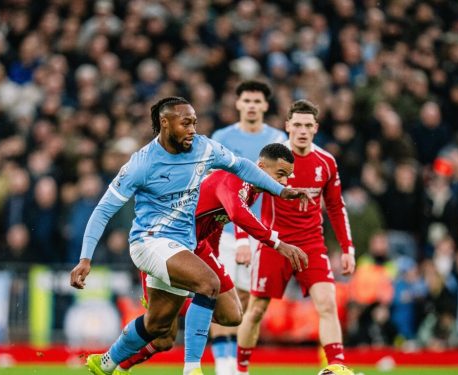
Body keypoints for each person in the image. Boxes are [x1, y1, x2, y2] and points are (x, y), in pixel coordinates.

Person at [70, 97, 310, 375]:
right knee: (208, 283)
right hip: (150, 241)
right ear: (165, 123)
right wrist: (85, 258)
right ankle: (192, 368)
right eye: (186, 123)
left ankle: (107, 363)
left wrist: (281, 191)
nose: (193, 129)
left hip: (187, 244)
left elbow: (243, 165)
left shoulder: (204, 147)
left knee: (159, 328)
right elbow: (102, 210)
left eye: (195, 122)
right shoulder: (141, 164)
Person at [114, 143, 308, 374]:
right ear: (261, 167)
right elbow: (236, 214)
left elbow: (214, 224)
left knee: (233, 315)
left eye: (287, 176)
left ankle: (174, 308)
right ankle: (123, 365)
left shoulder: (253, 191)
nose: (284, 183)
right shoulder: (235, 178)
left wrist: (212, 261)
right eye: (280, 174)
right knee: (163, 338)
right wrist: (277, 243)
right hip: (169, 246)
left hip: (199, 247)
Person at [236, 99, 356, 375]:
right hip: (274, 244)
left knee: (327, 303)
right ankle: (240, 370)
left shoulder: (326, 162)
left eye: (307, 125)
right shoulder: (271, 160)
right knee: (255, 310)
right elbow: (242, 199)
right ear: (288, 125)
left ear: (316, 128)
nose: (302, 130)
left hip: (312, 244)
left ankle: (336, 366)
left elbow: (336, 207)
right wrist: (243, 240)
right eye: (297, 125)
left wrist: (347, 248)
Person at [209, 80, 287, 375]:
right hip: (225, 230)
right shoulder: (222, 137)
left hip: (263, 231)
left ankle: (236, 364)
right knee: (220, 294)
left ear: (265, 106)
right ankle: (224, 365)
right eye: (247, 100)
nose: (252, 105)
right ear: (238, 104)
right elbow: (217, 186)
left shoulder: (279, 139)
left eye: (258, 101)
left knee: (246, 299)